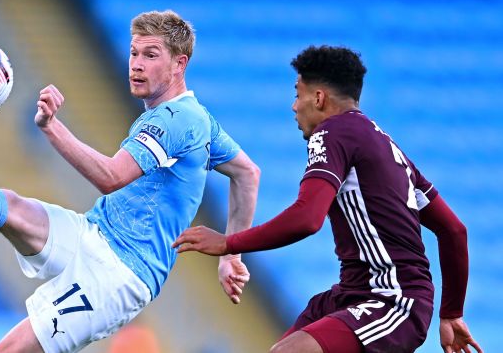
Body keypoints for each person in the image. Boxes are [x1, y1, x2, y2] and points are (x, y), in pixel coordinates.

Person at [0, 10, 260, 353]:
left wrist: (52, 128)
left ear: (180, 64)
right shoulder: (198, 118)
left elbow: (111, 177)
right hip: (94, 231)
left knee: (9, 350)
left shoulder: (176, 119)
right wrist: (231, 254)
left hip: (120, 273)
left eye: (151, 55)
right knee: (9, 207)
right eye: (134, 52)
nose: (136, 63)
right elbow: (248, 174)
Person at [173, 45, 482, 353]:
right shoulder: (386, 145)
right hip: (354, 293)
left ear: (318, 98)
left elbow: (308, 218)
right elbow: (454, 231)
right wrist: (451, 313)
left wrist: (229, 242)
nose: (294, 106)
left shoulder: (332, 132)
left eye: (298, 94)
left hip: (391, 298)